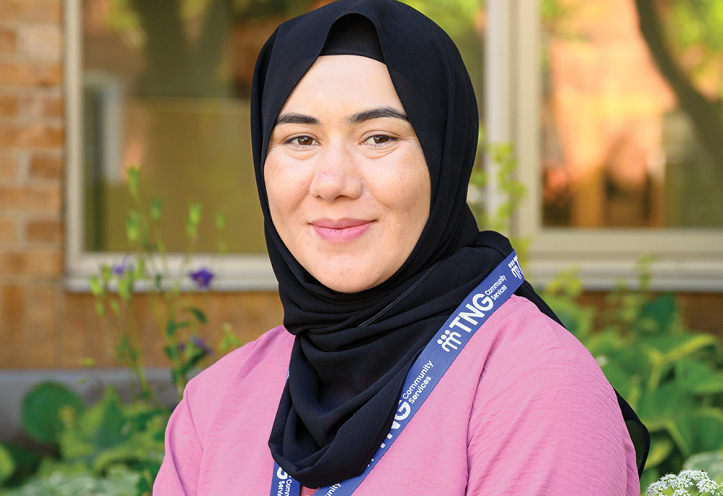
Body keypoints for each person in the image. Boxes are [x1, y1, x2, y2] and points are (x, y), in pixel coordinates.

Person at [154, 0, 648, 494]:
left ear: (444, 156)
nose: (332, 182)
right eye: (301, 139)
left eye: (378, 137)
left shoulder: (534, 385)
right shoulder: (214, 407)